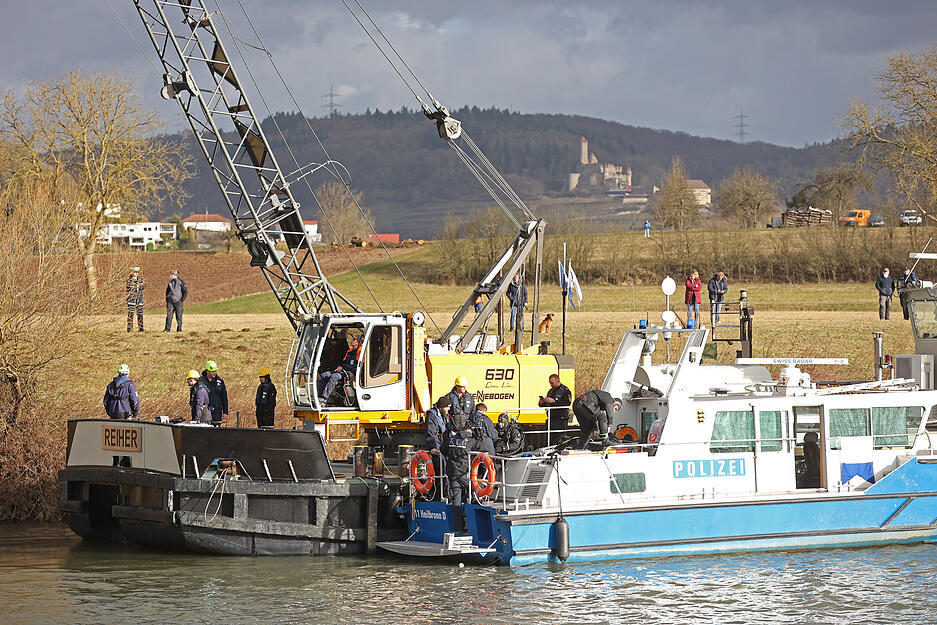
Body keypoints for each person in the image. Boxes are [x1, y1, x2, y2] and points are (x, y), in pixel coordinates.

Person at [445, 422, 480, 526]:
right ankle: (472, 519)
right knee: (476, 489)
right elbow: (484, 448)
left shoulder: (450, 440)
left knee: (456, 501)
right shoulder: (471, 441)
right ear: (469, 433)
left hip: (452, 473)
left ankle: (459, 527)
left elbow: (442, 449)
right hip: (463, 473)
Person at [317, 335, 361, 402]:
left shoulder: (359, 352)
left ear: (357, 342)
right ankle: (319, 396)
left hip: (351, 372)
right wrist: (339, 366)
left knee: (334, 376)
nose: (351, 340)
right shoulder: (349, 352)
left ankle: (324, 397)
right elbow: (343, 362)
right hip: (343, 371)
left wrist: (343, 367)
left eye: (353, 339)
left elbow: (356, 367)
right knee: (324, 375)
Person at [538, 373, 572, 445]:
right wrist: (542, 402)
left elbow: (567, 403)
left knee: (559, 440)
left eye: (552, 383)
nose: (551, 385)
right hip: (551, 418)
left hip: (560, 419)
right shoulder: (550, 391)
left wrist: (554, 401)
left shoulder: (565, 391)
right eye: (550, 383)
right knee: (548, 440)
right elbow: (546, 405)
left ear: (558, 381)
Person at [425, 396, 451, 483]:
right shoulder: (432, 415)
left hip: (445, 443)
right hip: (438, 445)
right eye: (447, 407)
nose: (449, 408)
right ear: (441, 407)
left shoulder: (444, 414)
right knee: (440, 468)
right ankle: (439, 490)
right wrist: (434, 447)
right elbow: (431, 432)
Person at [201, 360, 228, 426]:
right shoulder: (200, 382)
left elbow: (224, 398)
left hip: (217, 413)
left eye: (215, 371)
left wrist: (225, 412)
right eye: (213, 371)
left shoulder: (220, 382)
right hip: (204, 413)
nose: (214, 373)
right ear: (207, 371)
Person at [126, 267, 146, 332]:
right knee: (130, 315)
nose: (136, 273)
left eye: (137, 272)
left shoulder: (140, 279)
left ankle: (141, 328)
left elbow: (143, 285)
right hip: (131, 299)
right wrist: (138, 286)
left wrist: (138, 286)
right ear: (132, 272)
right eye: (135, 272)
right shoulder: (129, 280)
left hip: (139, 299)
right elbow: (130, 287)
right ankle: (129, 329)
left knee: (140, 314)